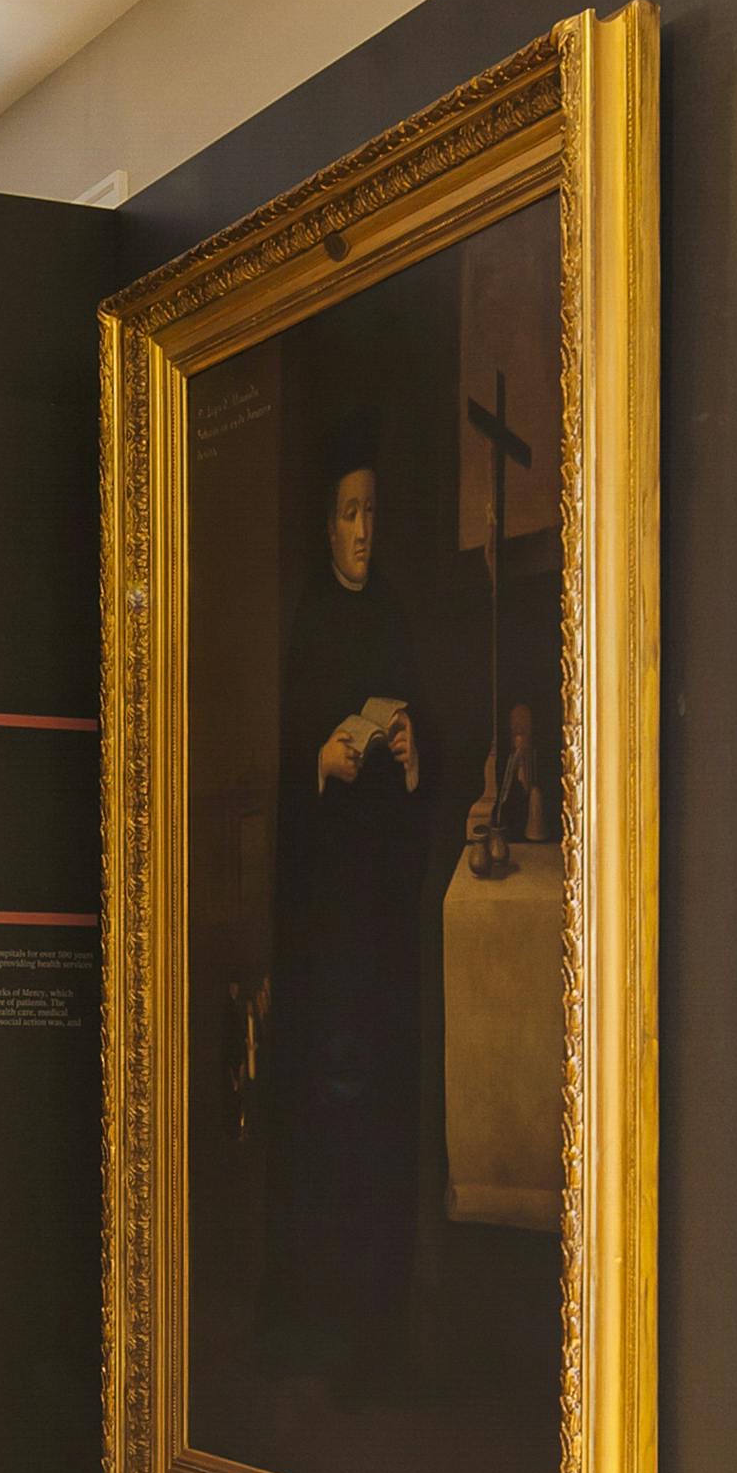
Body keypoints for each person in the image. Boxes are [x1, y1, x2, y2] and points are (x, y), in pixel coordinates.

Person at [260, 409, 440, 1397]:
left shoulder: (397, 617)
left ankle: (381, 1322)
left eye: (374, 513)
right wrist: (318, 763)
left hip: (382, 921)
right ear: (325, 525)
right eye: (349, 514)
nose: (365, 532)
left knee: (384, 1111)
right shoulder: (310, 621)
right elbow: (288, 765)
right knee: (332, 1110)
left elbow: (423, 754)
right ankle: (323, 1323)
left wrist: (411, 756)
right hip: (329, 926)